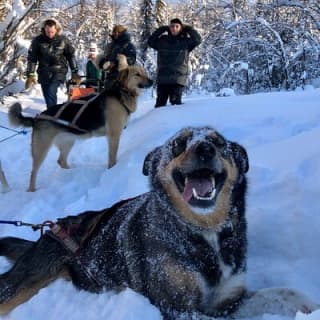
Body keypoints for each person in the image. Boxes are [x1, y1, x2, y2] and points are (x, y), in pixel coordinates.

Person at [25, 18, 81, 108]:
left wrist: (74, 71)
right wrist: (30, 74)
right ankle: (52, 113)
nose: (50, 34)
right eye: (48, 32)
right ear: (44, 29)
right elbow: (32, 58)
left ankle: (51, 115)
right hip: (43, 71)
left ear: (56, 29)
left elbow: (71, 56)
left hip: (59, 71)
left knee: (51, 91)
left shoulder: (63, 40)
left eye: (52, 32)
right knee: (47, 95)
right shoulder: (38, 41)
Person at [148, 18, 201, 107]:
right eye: (172, 26)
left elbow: (197, 40)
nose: (174, 28)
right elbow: (150, 42)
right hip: (162, 78)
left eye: (177, 26)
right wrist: (161, 29)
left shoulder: (185, 42)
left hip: (177, 79)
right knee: (159, 106)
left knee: (175, 106)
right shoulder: (162, 40)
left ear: (181, 28)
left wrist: (189, 29)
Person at [98, 25, 136, 90]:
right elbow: (106, 58)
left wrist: (116, 63)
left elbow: (132, 60)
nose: (115, 34)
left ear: (122, 33)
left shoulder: (128, 45)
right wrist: (103, 63)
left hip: (123, 79)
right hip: (109, 78)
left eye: (117, 32)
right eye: (114, 32)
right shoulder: (111, 45)